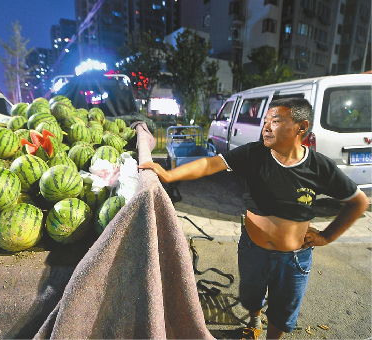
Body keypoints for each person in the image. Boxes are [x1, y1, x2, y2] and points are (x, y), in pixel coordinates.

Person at [138, 98, 370, 339]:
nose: (266, 127)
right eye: (266, 121)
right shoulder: (253, 154)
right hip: (252, 249)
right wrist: (168, 174)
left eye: (276, 121)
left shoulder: (319, 166)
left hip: (294, 259)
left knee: (283, 310)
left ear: (301, 127)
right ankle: (255, 321)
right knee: (251, 294)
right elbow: (210, 164)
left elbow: (359, 202)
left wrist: (327, 236)